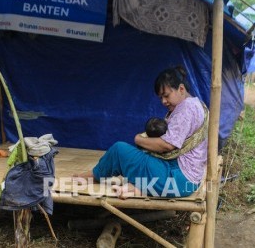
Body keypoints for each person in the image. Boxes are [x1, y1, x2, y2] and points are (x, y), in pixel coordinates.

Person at [74, 66, 208, 199]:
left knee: (119, 150)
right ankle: (138, 188)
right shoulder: (196, 104)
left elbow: (167, 145)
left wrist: (138, 139)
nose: (164, 101)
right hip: (186, 179)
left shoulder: (186, 109)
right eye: (161, 97)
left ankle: (94, 176)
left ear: (181, 89)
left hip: (177, 179)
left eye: (166, 96)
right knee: (140, 155)